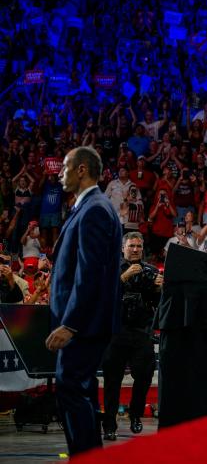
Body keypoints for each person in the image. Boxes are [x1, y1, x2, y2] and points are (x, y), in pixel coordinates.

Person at [46, 146, 123, 456]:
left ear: (81, 170)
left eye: (65, 167)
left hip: (82, 326)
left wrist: (71, 324)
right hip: (86, 325)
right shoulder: (91, 207)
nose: (59, 173)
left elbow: (89, 274)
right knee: (83, 392)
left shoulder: (94, 210)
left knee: (71, 389)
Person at [102, 232, 163, 440]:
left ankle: (135, 414)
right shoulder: (111, 270)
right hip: (116, 331)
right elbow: (102, 297)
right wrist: (123, 278)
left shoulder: (152, 271)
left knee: (145, 375)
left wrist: (160, 289)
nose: (135, 249)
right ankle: (109, 424)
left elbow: (159, 304)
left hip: (141, 331)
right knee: (112, 380)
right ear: (123, 248)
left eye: (138, 246)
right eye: (131, 246)